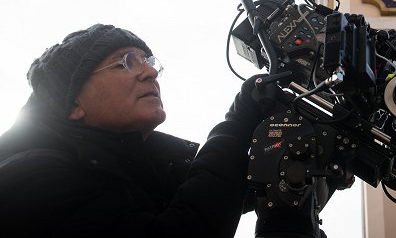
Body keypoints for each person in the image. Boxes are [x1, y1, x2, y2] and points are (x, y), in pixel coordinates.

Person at [0, 24, 265, 237]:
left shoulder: (140, 163)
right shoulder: (29, 178)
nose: (150, 72)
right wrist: (237, 125)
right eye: (125, 63)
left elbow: (220, 192)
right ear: (72, 103)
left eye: (147, 61)